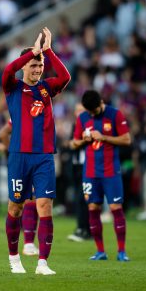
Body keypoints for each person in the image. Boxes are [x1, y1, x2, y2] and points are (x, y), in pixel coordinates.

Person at [1, 27, 71, 275]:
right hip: (19, 156)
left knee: (45, 206)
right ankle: (14, 258)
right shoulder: (13, 88)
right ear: (24, 67)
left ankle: (43, 262)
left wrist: (48, 51)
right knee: (16, 208)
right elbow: (8, 70)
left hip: (44, 157)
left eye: (39, 65)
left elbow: (65, 77)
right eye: (33, 65)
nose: (38, 69)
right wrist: (31, 51)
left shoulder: (47, 88)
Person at [72, 90, 131, 261]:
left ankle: (121, 251)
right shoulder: (82, 117)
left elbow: (126, 139)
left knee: (115, 208)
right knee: (93, 208)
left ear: (101, 103)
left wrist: (104, 137)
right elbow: (75, 143)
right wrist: (83, 139)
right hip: (90, 172)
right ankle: (100, 251)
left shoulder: (115, 114)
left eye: (94, 111)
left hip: (111, 171)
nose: (91, 114)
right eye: (89, 112)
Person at [0, 120, 39, 256]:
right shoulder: (23, 114)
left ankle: (28, 242)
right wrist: (14, 153)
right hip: (29, 159)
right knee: (29, 199)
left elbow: (3, 134)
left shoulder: (26, 112)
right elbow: (3, 133)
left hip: (27, 159)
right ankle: (28, 243)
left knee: (25, 200)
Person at [67, 103, 91, 242]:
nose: (78, 113)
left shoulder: (90, 126)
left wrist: (76, 143)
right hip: (76, 166)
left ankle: (85, 229)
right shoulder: (75, 126)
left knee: (84, 198)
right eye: (77, 111)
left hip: (86, 165)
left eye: (81, 110)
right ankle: (80, 227)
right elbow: (72, 144)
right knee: (79, 198)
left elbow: (76, 143)